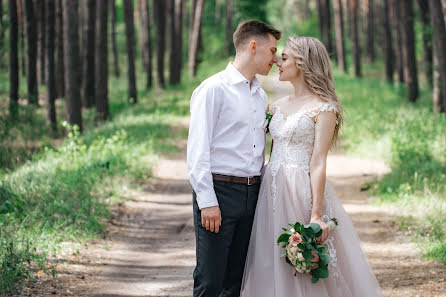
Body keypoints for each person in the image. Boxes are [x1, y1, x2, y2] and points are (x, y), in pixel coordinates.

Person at [240, 36, 384, 297]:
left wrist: (316, 213)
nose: (277, 62)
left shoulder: (323, 108)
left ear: (303, 63)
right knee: (269, 257)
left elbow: (318, 160)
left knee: (302, 263)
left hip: (300, 191)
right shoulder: (276, 105)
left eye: (284, 58)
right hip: (270, 190)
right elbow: (270, 152)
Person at [186, 20, 281, 297]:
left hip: (252, 194)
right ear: (253, 46)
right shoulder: (213, 89)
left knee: (235, 283)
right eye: (272, 51)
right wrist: (207, 202)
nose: (275, 59)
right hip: (220, 192)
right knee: (210, 281)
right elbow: (197, 151)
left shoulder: (260, 95)